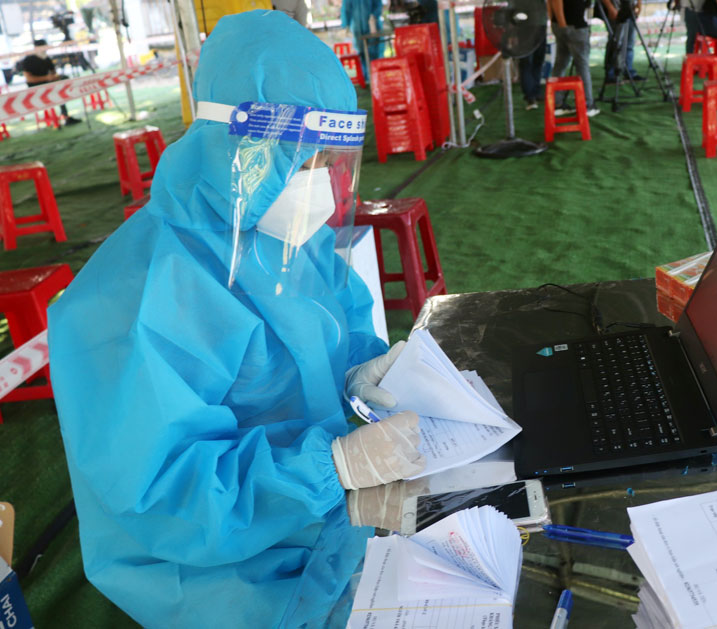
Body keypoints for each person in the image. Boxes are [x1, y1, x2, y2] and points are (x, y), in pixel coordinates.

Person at [48, 11, 425, 628]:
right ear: (238, 145)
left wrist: (364, 373)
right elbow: (162, 493)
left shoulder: (288, 245)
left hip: (328, 523)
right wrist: (333, 467)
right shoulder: (136, 294)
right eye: (298, 161)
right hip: (221, 581)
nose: (319, 184)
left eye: (326, 161)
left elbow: (340, 331)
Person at [549, 0, 600, 117]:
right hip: (573, 26)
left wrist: (556, 22)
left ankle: (557, 103)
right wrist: (563, 26)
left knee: (560, 64)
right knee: (582, 66)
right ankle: (587, 105)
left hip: (563, 25)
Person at [20, 40, 81, 125]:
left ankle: (65, 116)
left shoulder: (46, 58)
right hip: (35, 88)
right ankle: (63, 117)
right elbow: (29, 79)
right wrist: (46, 78)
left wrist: (55, 77)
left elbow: (53, 72)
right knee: (57, 92)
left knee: (62, 86)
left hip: (48, 84)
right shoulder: (28, 60)